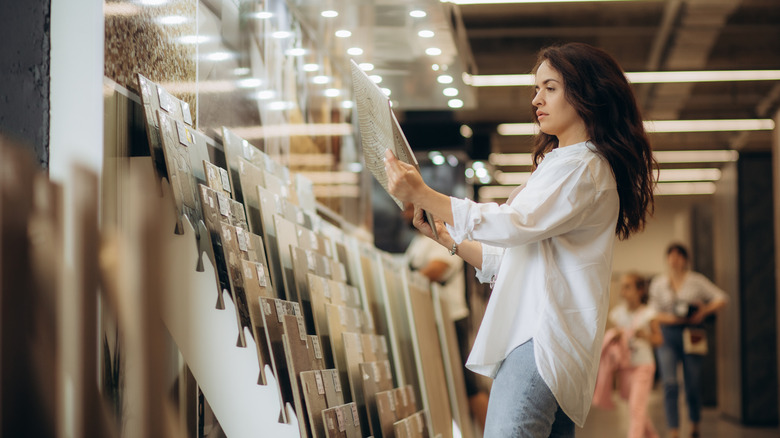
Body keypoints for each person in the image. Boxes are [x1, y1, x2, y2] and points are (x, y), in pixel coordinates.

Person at [383, 42, 656, 437]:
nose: (536, 100)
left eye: (550, 88)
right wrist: (448, 240)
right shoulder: (562, 164)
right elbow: (510, 254)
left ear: (585, 94)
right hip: (540, 341)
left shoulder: (585, 167)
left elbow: (514, 223)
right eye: (536, 89)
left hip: (541, 340)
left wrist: (426, 195)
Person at [402, 204, 490, 430]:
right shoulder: (417, 243)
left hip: (450, 319)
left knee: (466, 383)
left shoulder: (439, 238)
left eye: (409, 209)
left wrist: (409, 281)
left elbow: (439, 268)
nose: (405, 215)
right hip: (429, 321)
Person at [648, 243, 727, 438]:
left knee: (692, 381)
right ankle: (673, 429)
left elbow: (722, 298)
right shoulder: (659, 283)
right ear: (667, 259)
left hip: (693, 332)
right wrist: (673, 319)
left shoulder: (696, 280)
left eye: (679, 256)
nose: (674, 260)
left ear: (685, 259)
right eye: (671, 256)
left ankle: (694, 423)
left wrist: (703, 311)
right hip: (667, 333)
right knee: (670, 383)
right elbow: (652, 312)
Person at [592, 273, 662, 438]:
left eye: (628, 286)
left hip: (643, 365)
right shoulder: (617, 314)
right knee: (637, 408)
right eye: (623, 286)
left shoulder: (649, 313)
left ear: (640, 290)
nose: (623, 291)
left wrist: (645, 336)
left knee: (636, 408)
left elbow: (659, 339)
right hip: (625, 366)